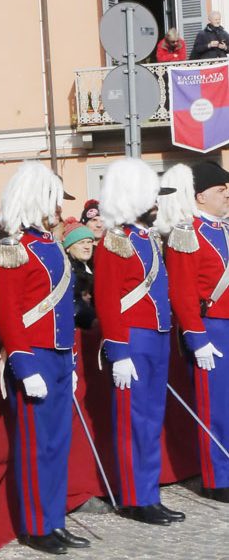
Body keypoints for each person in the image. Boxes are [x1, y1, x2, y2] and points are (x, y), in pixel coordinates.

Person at [0, 161, 88, 554]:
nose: (58, 209)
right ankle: (36, 526)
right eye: (52, 201)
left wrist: (73, 363)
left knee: (57, 444)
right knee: (36, 445)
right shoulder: (15, 248)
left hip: (60, 356)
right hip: (34, 356)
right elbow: (11, 311)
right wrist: (24, 363)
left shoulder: (50, 245)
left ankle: (54, 520)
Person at [93, 158, 183, 526]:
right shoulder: (115, 242)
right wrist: (118, 350)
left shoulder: (146, 239)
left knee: (151, 419)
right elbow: (108, 298)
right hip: (133, 339)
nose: (157, 205)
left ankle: (149, 492)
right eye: (151, 198)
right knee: (134, 421)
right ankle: (135, 497)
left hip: (156, 337)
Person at [157, 160, 229, 503]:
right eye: (220, 189)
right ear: (200, 196)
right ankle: (217, 478)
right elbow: (183, 291)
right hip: (210, 327)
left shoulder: (223, 229)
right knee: (215, 406)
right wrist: (196, 336)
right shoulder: (188, 233)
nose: (227, 194)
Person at [62, 220, 97, 330]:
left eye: (89, 242)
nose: (87, 246)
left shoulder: (97, 266)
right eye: (81, 242)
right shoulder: (68, 272)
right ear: (68, 247)